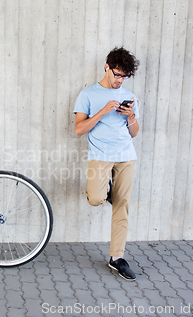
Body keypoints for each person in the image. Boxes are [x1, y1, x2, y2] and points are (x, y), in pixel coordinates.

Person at [73, 47, 140, 281]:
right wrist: (102, 112)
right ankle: (106, 190)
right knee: (96, 199)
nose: (119, 80)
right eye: (117, 74)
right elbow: (79, 129)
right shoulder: (88, 94)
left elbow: (134, 133)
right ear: (106, 67)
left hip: (125, 156)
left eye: (124, 76)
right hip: (100, 155)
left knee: (122, 206)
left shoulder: (130, 96)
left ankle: (117, 258)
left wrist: (130, 117)